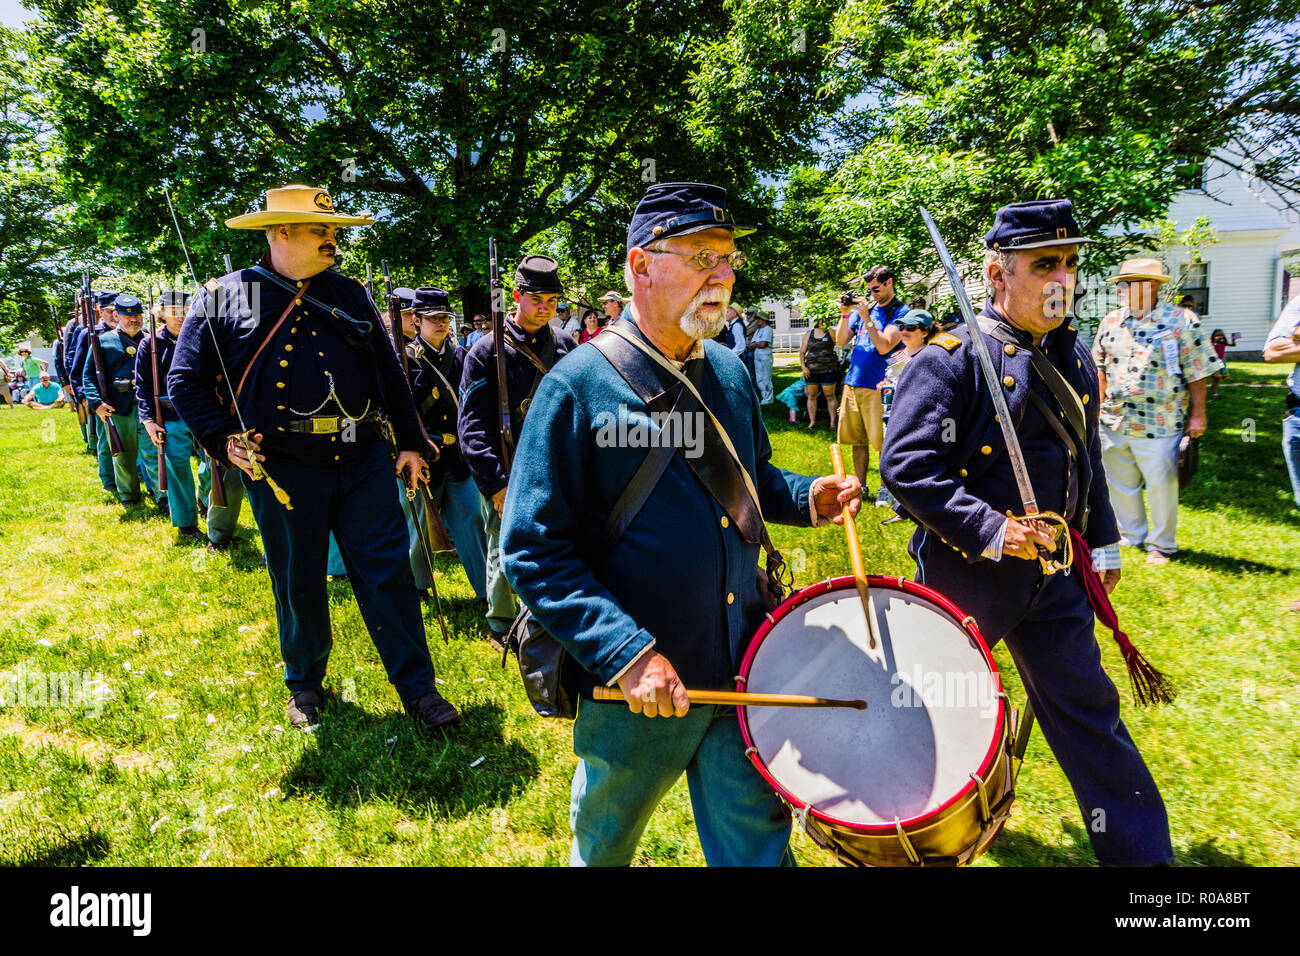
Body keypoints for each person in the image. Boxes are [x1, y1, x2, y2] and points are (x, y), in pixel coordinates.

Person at [500, 181, 863, 867]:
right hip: (637, 688)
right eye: (701, 257)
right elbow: (532, 551)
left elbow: (752, 479)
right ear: (641, 266)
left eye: (727, 259)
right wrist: (629, 654)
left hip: (742, 664)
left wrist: (807, 496)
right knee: (603, 848)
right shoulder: (575, 386)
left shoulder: (727, 370)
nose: (722, 275)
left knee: (758, 848)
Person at [880, 198, 1173, 866]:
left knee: (1088, 715)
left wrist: (1100, 542)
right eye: (1045, 264)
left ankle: (1145, 868)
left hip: (1055, 575)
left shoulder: (1072, 359)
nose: (1062, 278)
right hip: (967, 578)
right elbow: (905, 467)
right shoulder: (950, 360)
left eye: (1070, 263)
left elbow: (1086, 460)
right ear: (996, 273)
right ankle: (929, 837)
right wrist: (991, 530)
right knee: (946, 720)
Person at [168, 183, 460, 733]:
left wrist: (411, 441)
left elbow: (389, 372)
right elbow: (186, 380)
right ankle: (304, 684)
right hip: (280, 467)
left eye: (333, 231)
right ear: (280, 233)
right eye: (320, 230)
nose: (333, 240)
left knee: (388, 573)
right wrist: (222, 436)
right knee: (297, 579)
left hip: (363, 459)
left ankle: (418, 690)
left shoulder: (349, 292)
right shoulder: (229, 295)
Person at [458, 254, 577, 641]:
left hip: (557, 463)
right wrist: (495, 485)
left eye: (552, 301)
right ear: (516, 296)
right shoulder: (486, 350)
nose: (545, 308)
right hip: (507, 467)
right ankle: (501, 622)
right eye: (537, 299)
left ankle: (550, 612)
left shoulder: (566, 345)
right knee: (501, 546)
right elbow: (472, 427)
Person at [1092, 257, 1223, 566]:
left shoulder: (1182, 320)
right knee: (1119, 482)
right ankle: (1130, 534)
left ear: (1150, 286)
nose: (1121, 289)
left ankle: (1162, 544)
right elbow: (1099, 364)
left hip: (1161, 421)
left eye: (1128, 283)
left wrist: (1199, 414)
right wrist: (1098, 406)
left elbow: (1198, 370)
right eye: (1120, 284)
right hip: (1114, 418)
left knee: (1162, 484)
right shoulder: (1111, 321)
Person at [405, 286, 490, 603]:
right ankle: (418, 588)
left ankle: (486, 592)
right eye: (433, 318)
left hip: (457, 459)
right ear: (416, 320)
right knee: (418, 529)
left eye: (445, 317)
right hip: (423, 461)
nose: (442, 323)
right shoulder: (405, 362)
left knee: (473, 517)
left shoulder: (462, 357)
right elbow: (398, 413)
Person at [136, 290, 206, 543]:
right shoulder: (149, 343)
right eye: (174, 312)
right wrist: (148, 421)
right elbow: (142, 386)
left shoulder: (201, 338)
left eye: (185, 311)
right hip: (170, 416)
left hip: (201, 413)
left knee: (213, 463)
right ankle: (186, 522)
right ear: (161, 314)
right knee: (177, 467)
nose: (180, 317)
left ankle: (207, 501)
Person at [836, 268, 907, 494]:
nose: (872, 294)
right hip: (854, 381)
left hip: (879, 384)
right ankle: (861, 486)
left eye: (876, 289)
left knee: (883, 443)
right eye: (869, 290)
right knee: (857, 440)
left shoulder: (901, 312)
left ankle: (887, 488)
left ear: (889, 283)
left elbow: (885, 344)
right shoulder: (864, 310)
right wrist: (845, 313)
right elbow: (840, 340)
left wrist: (867, 317)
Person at [82, 294, 154, 508]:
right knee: (122, 454)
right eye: (127, 315)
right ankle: (129, 495)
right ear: (116, 316)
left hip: (147, 405)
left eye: (137, 316)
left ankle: (162, 496)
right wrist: (96, 403)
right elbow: (89, 375)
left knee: (153, 452)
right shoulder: (103, 341)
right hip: (118, 406)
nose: (134, 320)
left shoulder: (150, 339)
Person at [874, 308, 934, 514]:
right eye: (902, 327)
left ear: (924, 332)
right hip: (890, 412)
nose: (904, 331)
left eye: (910, 327)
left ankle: (909, 499)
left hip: (914, 415)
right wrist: (883, 385)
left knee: (911, 456)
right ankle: (886, 491)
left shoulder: (929, 356)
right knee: (887, 454)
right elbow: (889, 378)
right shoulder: (898, 354)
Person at [71, 290, 121, 490]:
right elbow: (79, 368)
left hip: (124, 395)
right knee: (105, 442)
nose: (113, 315)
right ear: (100, 311)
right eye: (109, 311)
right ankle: (109, 480)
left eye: (115, 311)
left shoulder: (126, 333)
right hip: (101, 397)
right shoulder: (89, 333)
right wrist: (85, 396)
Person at [798, 315, 840, 429]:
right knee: (811, 396)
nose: (822, 321)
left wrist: (828, 327)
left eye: (825, 319)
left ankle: (832, 422)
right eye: (820, 319)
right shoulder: (809, 333)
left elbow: (837, 341)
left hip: (828, 369)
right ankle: (812, 422)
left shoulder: (830, 332)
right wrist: (803, 367)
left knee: (830, 396)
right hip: (811, 371)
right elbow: (802, 352)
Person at [747, 310, 774, 403]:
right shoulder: (758, 330)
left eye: (759, 319)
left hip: (765, 356)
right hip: (757, 356)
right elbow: (751, 344)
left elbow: (764, 344)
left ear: (764, 320)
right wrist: (756, 344)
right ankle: (764, 397)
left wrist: (755, 344)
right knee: (759, 378)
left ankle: (769, 398)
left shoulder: (768, 329)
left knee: (766, 377)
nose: (757, 321)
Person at [1209, 328, 1229, 397]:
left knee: (1217, 378)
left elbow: (1233, 344)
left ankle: (1214, 392)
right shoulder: (1212, 344)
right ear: (1213, 336)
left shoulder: (1223, 344)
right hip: (1214, 362)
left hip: (1221, 362)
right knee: (1212, 377)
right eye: (1217, 335)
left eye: (1221, 335)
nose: (1219, 337)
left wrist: (1233, 339)